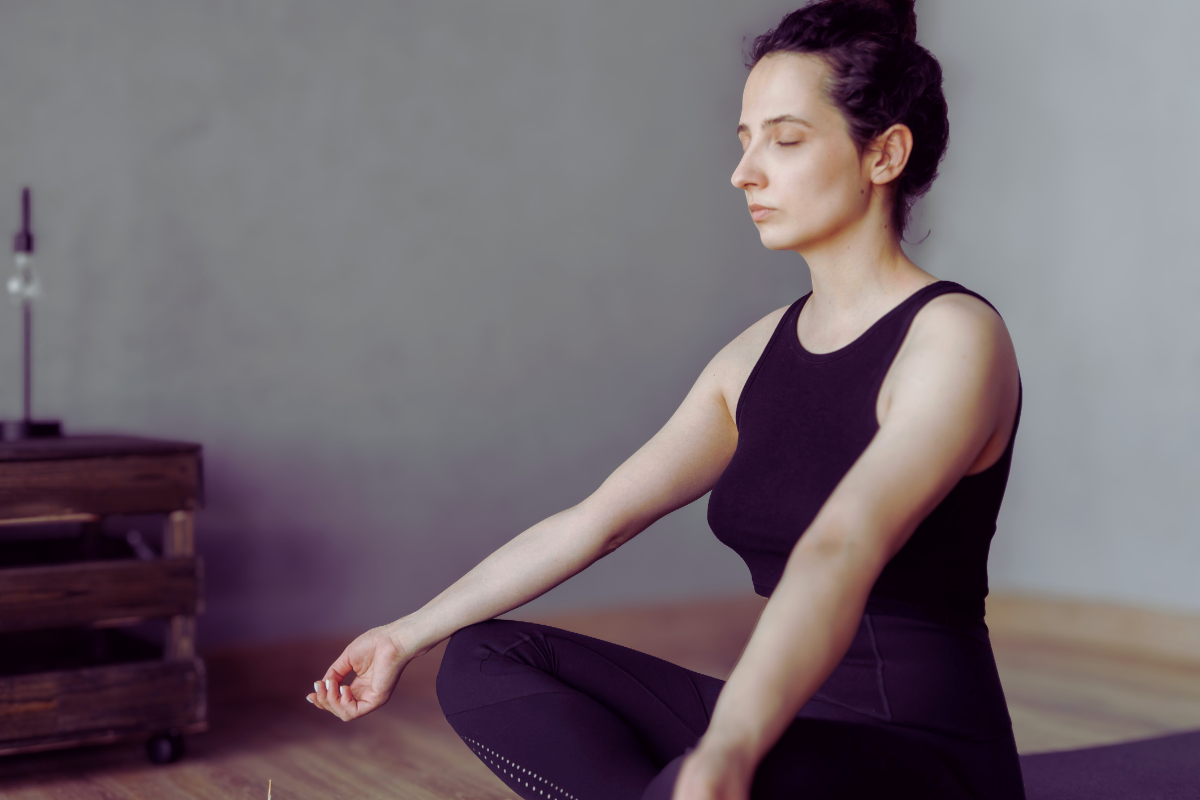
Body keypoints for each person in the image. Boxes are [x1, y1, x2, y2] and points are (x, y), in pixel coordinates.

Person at [308, 0, 1026, 797]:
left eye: (785, 140)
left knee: (701, 773)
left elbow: (841, 547)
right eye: (745, 140)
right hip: (794, 724)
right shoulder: (753, 355)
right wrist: (401, 636)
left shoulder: (955, 336)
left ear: (884, 154)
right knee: (484, 657)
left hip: (925, 761)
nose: (744, 171)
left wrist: (728, 750)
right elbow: (597, 520)